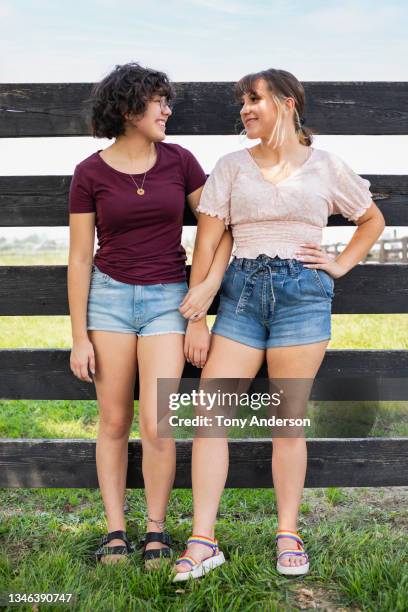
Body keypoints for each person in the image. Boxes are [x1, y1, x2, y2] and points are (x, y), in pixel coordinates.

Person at [174, 68, 385, 580]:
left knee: (286, 422)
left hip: (302, 296)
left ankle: (287, 532)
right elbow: (207, 243)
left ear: (287, 104)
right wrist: (197, 318)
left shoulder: (327, 166)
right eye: (242, 102)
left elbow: (371, 220)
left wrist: (338, 264)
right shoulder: (230, 166)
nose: (244, 109)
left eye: (254, 99)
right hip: (241, 294)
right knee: (209, 417)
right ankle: (204, 540)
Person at [67, 62, 232, 568]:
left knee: (158, 424)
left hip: (167, 300)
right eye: (158, 101)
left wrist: (204, 290)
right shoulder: (89, 172)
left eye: (168, 101)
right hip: (109, 301)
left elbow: (220, 223)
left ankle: (156, 531)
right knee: (114, 420)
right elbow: (79, 256)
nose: (167, 110)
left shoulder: (179, 161)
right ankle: (116, 530)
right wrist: (79, 336)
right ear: (128, 107)